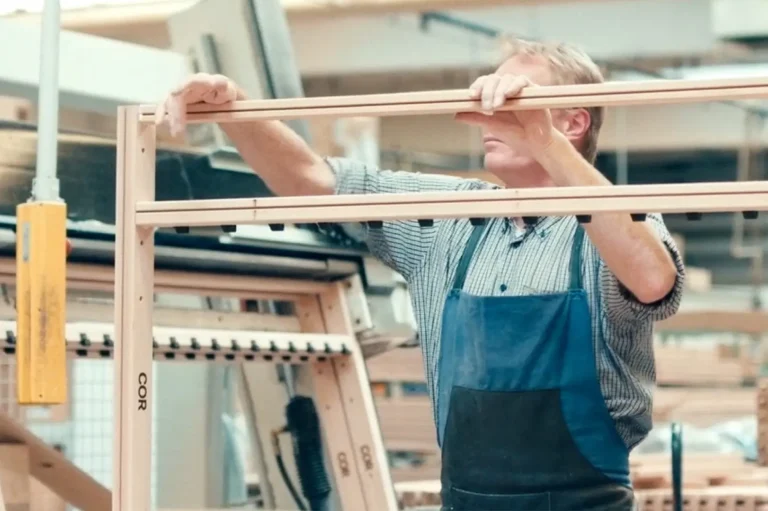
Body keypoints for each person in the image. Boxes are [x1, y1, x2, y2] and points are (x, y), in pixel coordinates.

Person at [157, 38, 684, 511]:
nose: (491, 116)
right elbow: (313, 180)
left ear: (573, 122)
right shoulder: (447, 219)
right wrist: (234, 108)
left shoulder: (616, 222)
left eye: (515, 100)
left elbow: (651, 278)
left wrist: (543, 139)